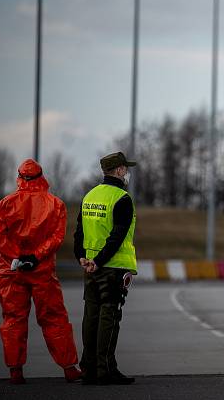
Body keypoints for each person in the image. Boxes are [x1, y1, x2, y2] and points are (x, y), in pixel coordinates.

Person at [0, 159, 82, 385]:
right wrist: (35, 257)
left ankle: (15, 372)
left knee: (13, 319)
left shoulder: (6, 203)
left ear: (20, 177)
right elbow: (56, 238)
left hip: (11, 271)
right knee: (54, 317)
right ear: (42, 176)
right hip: (42, 270)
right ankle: (69, 368)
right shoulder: (55, 204)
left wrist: (15, 257)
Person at [74, 151, 138, 385]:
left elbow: (79, 231)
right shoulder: (121, 198)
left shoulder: (90, 196)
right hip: (112, 268)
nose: (127, 173)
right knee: (109, 316)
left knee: (91, 316)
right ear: (119, 171)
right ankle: (105, 370)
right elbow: (117, 236)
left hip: (89, 268)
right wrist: (100, 260)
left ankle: (88, 369)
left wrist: (82, 257)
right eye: (126, 169)